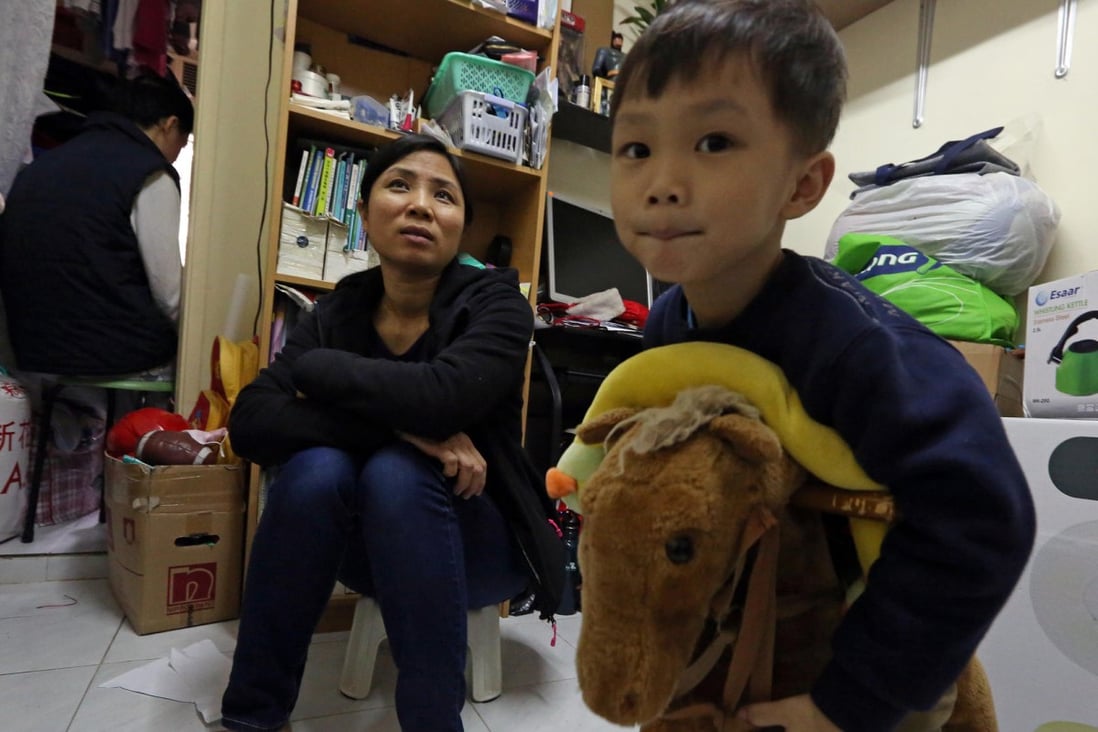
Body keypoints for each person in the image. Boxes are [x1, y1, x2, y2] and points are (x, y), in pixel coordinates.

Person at [607, 1, 1035, 730]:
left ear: (803, 185)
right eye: (636, 148)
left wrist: (846, 705)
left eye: (714, 141)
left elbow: (984, 515)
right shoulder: (670, 327)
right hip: (744, 636)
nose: (663, 182)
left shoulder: (856, 346)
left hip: (858, 670)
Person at [221, 135, 565, 732]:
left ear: (462, 227)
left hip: (484, 546)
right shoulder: (337, 312)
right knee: (317, 470)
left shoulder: (497, 304)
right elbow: (249, 422)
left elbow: (443, 398)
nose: (421, 206)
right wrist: (402, 431)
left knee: (395, 473)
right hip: (361, 549)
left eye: (444, 195)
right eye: (400, 185)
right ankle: (254, 716)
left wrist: (319, 371)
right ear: (363, 211)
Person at [0, 71, 191, 378]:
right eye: (180, 146)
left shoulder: (42, 166)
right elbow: (170, 296)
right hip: (111, 357)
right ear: (169, 125)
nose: (174, 158)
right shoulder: (150, 173)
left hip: (29, 351)